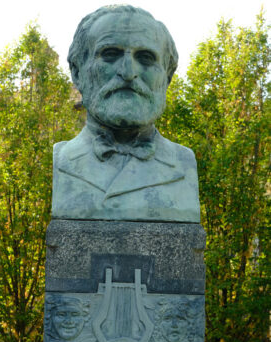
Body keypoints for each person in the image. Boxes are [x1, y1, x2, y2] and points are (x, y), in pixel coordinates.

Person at [52, 5, 200, 222]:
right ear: (77, 73)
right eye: (110, 55)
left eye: (146, 58)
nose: (128, 72)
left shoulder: (184, 164)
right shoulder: (62, 160)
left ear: (167, 77)